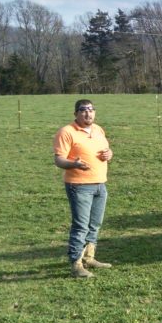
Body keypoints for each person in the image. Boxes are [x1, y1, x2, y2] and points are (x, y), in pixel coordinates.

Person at [53, 99, 114, 278]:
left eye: (91, 110)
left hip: (100, 184)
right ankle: (76, 264)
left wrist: (109, 154)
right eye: (83, 110)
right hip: (79, 186)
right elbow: (58, 160)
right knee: (80, 226)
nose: (88, 113)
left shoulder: (98, 130)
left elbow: (107, 150)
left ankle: (89, 257)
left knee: (95, 224)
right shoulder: (66, 132)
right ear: (76, 114)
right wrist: (74, 164)